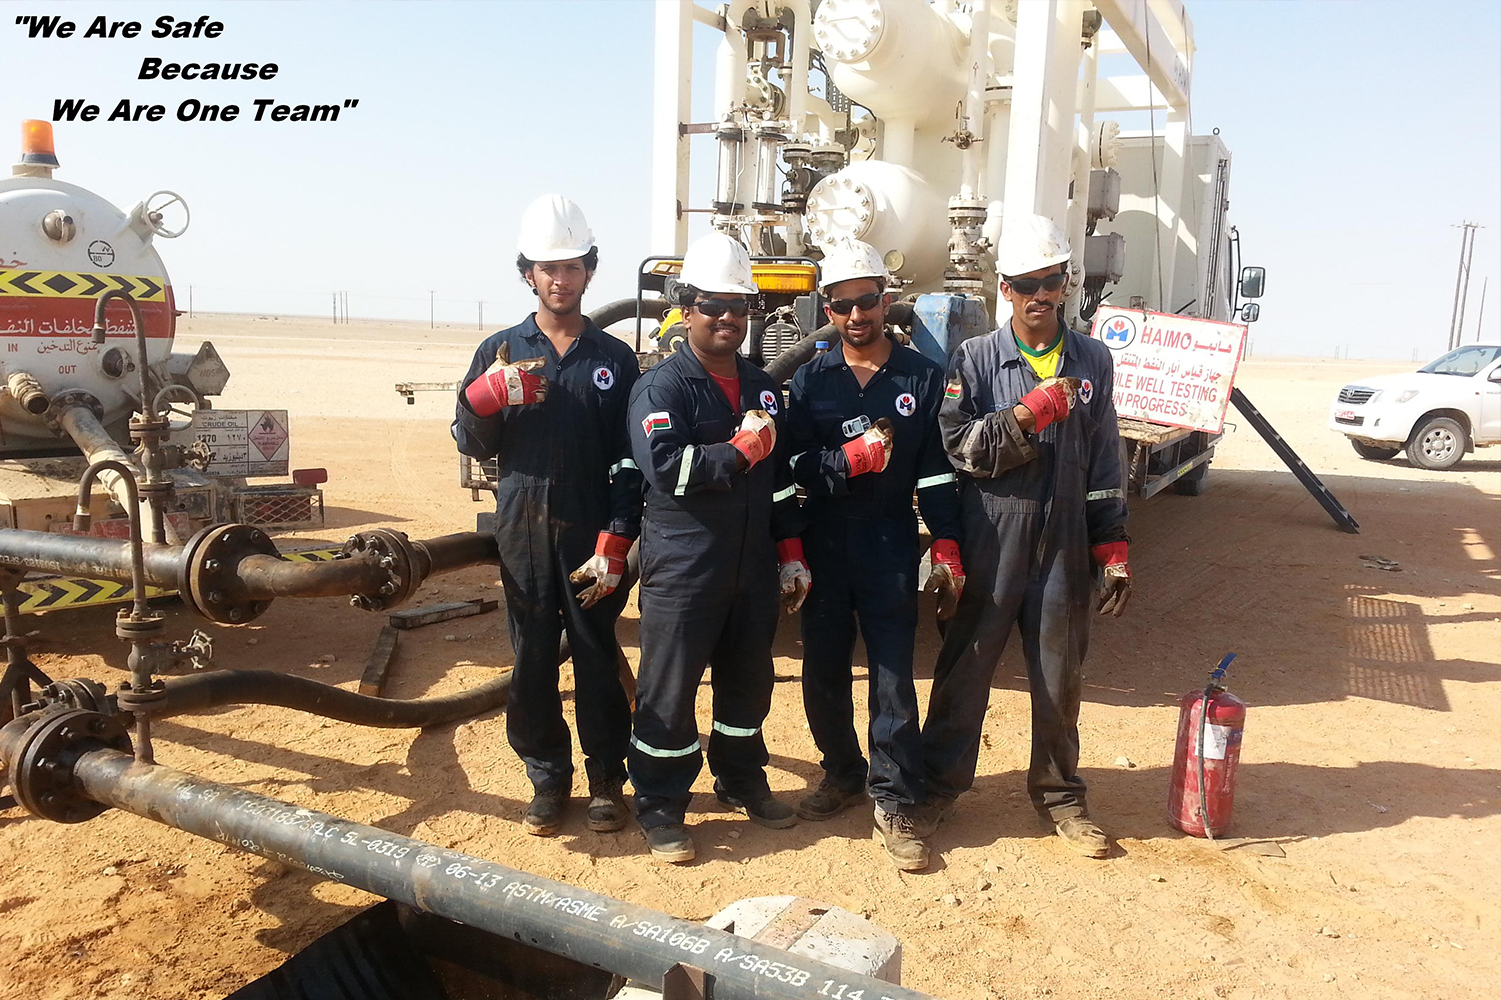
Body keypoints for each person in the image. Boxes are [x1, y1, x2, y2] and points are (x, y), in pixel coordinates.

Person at [920, 214, 1132, 859]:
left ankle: (1062, 796)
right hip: (993, 530)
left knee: (1060, 676)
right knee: (965, 670)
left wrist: (1111, 543)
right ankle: (937, 788)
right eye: (1025, 284)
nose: (1039, 295)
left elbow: (1104, 458)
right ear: (1004, 288)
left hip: (1064, 538)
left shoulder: (1093, 359)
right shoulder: (976, 358)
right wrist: (1025, 416)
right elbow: (959, 447)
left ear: (1067, 283)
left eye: (1050, 282)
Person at [453, 194, 642, 838]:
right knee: (532, 658)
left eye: (571, 266)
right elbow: (472, 443)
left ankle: (606, 780)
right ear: (528, 273)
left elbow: (629, 458)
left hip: (592, 532)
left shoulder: (614, 359)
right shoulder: (500, 350)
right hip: (523, 529)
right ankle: (547, 777)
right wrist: (483, 399)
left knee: (595, 655)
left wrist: (619, 534)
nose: (560, 279)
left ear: (589, 271)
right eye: (547, 268)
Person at [625, 232, 810, 863]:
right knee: (669, 688)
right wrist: (735, 452)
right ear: (686, 309)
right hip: (685, 563)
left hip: (751, 564)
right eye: (712, 305)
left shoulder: (762, 387)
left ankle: (740, 776)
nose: (727, 317)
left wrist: (790, 551)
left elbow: (778, 480)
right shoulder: (663, 387)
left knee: (749, 682)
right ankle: (659, 801)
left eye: (738, 305)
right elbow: (663, 467)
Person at [785, 239, 964, 871]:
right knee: (824, 668)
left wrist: (946, 540)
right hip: (825, 539)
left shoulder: (921, 377)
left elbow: (936, 472)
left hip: (889, 541)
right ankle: (840, 772)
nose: (856, 315)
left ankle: (894, 797)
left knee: (892, 673)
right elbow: (793, 464)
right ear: (827, 309)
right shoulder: (810, 379)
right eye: (842, 305)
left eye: (866, 301)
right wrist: (844, 463)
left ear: (886, 301)